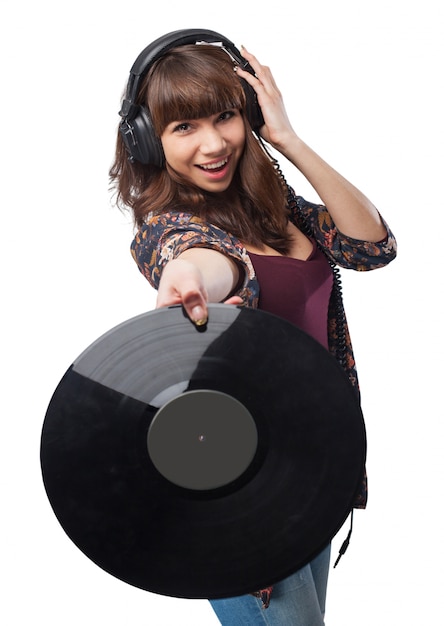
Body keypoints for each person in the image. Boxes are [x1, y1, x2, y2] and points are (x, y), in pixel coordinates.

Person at [109, 30, 397, 626]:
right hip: (245, 487)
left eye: (224, 117)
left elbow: (372, 247)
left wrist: (288, 139)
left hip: (317, 470)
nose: (214, 144)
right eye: (183, 128)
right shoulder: (165, 226)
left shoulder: (277, 209)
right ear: (145, 140)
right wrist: (189, 277)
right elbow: (199, 257)